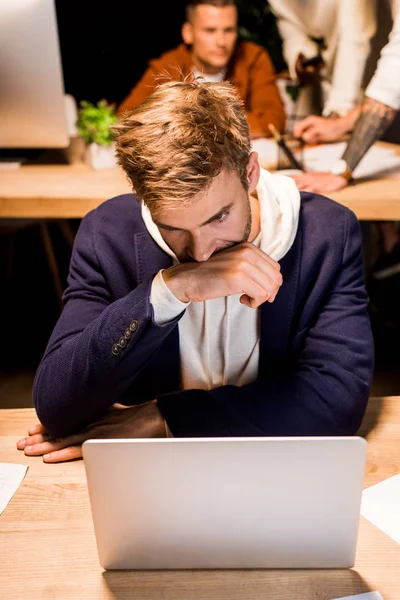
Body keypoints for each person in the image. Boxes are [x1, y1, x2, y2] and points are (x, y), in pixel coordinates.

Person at [16, 78, 374, 463]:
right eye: (173, 228)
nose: (202, 253)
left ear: (250, 172)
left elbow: (336, 401)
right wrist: (167, 291)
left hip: (277, 467)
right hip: (149, 476)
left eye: (219, 217)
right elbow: (57, 408)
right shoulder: (108, 233)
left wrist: (164, 419)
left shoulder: (327, 233)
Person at [116, 0, 286, 139]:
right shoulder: (168, 66)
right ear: (188, 33)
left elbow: (274, 121)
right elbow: (126, 119)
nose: (221, 42)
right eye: (210, 31)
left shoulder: (252, 58)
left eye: (229, 30)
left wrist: (187, 126)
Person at [268, 0, 376, 121]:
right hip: (327, 92)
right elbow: (288, 23)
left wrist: (338, 112)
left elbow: (354, 40)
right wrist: (299, 54)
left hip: (375, 82)